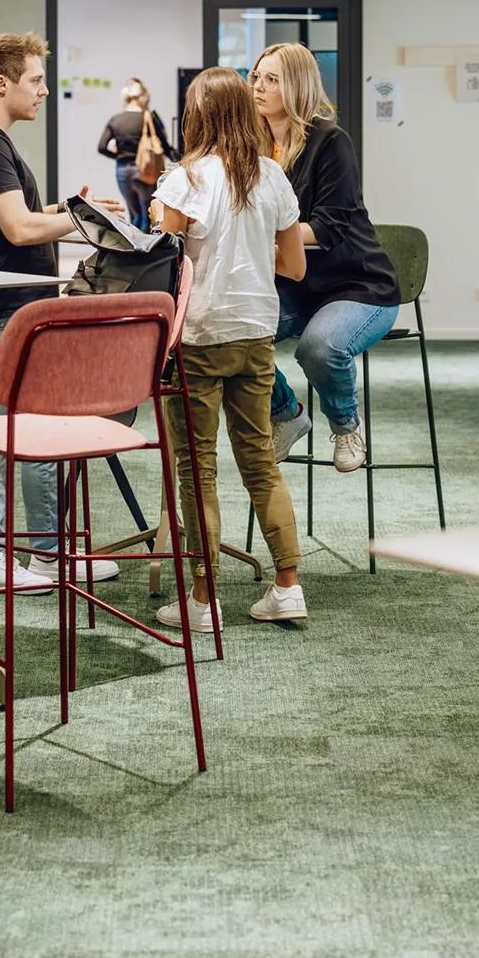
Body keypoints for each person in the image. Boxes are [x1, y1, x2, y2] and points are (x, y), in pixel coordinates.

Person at [0, 31, 123, 595]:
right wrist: (86, 222)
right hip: (9, 312)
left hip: (13, 309)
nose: (45, 90)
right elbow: (19, 229)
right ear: (2, 83)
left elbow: (21, 215)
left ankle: (46, 554)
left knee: (23, 431)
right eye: (36, 80)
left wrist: (73, 210)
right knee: (10, 434)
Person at [149, 66, 310, 633]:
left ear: (197, 117)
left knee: (198, 468)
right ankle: (287, 587)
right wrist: (247, 254)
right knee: (260, 461)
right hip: (256, 332)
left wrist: (164, 216)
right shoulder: (272, 176)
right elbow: (294, 266)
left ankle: (202, 599)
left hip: (199, 335)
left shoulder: (185, 179)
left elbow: (161, 255)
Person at [251, 42, 401, 474]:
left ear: (297, 86)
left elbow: (329, 227)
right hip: (296, 284)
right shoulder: (254, 144)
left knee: (319, 347)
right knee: (234, 335)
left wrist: (260, 234)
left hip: (358, 285)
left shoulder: (330, 141)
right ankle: (286, 412)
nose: (258, 86)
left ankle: (347, 425)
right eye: (257, 77)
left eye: (272, 79)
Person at [97, 78, 175, 231]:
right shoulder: (149, 118)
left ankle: (132, 243)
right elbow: (164, 146)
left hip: (122, 171)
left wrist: (120, 157)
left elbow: (101, 147)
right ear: (144, 97)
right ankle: (145, 244)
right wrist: (179, 161)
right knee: (147, 214)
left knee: (134, 215)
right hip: (145, 170)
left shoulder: (115, 120)